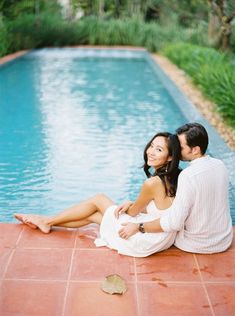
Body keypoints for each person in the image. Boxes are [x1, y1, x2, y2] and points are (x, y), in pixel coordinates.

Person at [14, 132, 182, 257]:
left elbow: (132, 213)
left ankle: (46, 220)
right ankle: (47, 223)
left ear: (169, 158)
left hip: (145, 238)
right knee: (93, 217)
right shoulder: (177, 176)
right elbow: (160, 208)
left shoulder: (152, 183)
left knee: (99, 199)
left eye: (158, 149)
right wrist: (132, 202)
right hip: (162, 237)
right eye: (151, 146)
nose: (151, 152)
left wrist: (131, 205)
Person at [118, 122, 233, 254]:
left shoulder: (188, 176)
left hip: (197, 244)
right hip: (224, 239)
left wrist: (140, 227)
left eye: (180, 147)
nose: (176, 150)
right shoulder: (220, 165)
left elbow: (174, 223)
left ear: (195, 150)